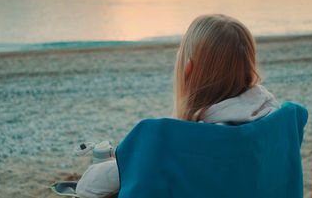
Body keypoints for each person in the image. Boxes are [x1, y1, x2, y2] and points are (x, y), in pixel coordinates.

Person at [75, 14, 280, 198]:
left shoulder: (170, 143)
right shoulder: (273, 124)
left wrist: (126, 160)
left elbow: (87, 187)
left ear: (188, 70)